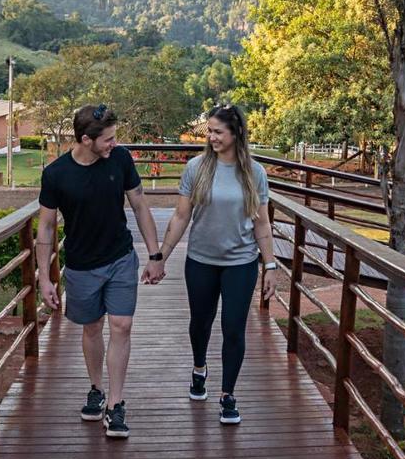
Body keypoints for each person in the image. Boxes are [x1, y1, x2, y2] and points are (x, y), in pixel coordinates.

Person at [36, 104, 165, 439]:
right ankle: (96, 388)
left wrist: (155, 255)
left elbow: (139, 205)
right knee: (92, 328)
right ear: (85, 140)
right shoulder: (56, 174)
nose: (113, 144)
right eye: (107, 139)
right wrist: (44, 277)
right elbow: (46, 228)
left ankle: (115, 404)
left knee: (121, 325)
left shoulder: (120, 160)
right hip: (81, 266)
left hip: (120, 258)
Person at [157, 103, 277, 424]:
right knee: (200, 322)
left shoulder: (254, 173)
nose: (211, 137)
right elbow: (181, 216)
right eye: (209, 131)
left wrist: (270, 266)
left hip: (241, 263)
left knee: (233, 328)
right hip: (201, 261)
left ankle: (228, 395)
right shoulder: (196, 168)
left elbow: (262, 224)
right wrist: (161, 256)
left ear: (236, 133)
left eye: (218, 132)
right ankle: (199, 368)